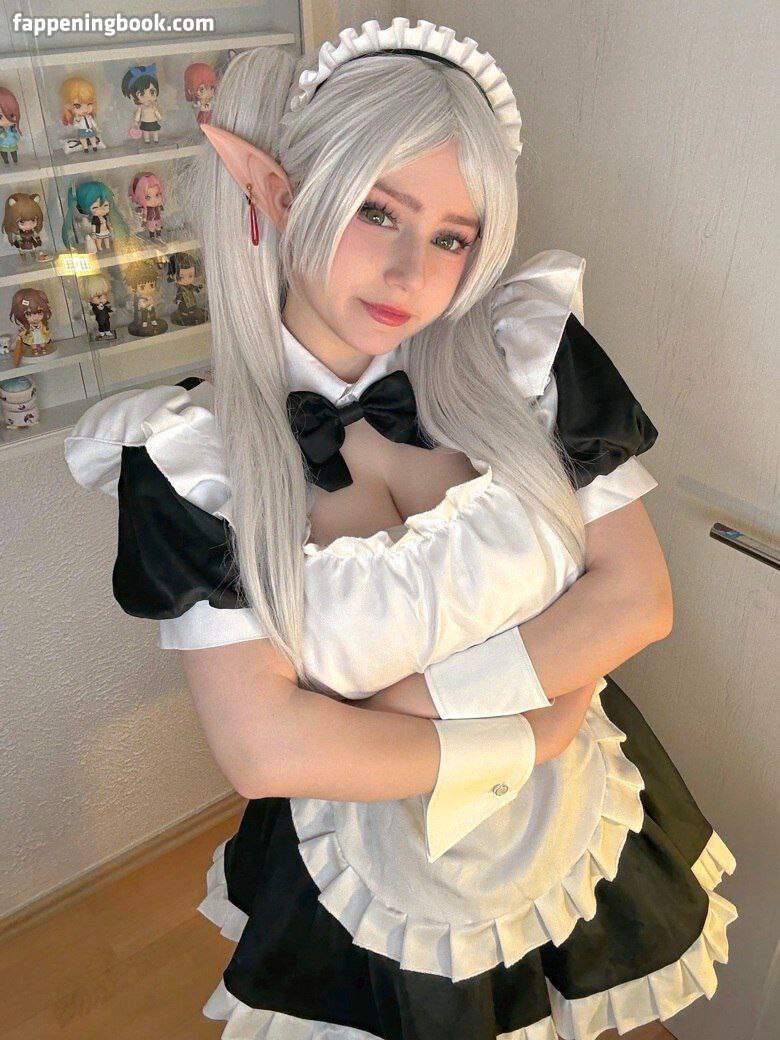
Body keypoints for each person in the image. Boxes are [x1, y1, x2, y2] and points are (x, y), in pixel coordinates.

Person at [64, 20, 737, 1040]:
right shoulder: (194, 462)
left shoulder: (525, 361)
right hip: (368, 871)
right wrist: (524, 730)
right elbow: (264, 747)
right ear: (276, 191)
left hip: (573, 810)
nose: (411, 274)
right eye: (376, 210)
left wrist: (420, 705)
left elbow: (637, 597)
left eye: (452, 236)